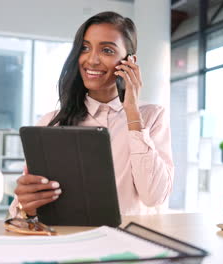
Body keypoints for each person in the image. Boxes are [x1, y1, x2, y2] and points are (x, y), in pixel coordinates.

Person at [9, 11, 174, 217]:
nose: (92, 60)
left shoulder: (151, 116)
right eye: (85, 48)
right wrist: (28, 206)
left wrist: (132, 113)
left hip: (128, 241)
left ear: (129, 61)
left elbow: (154, 196)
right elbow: (18, 213)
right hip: (67, 240)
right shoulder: (51, 121)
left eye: (106, 50)